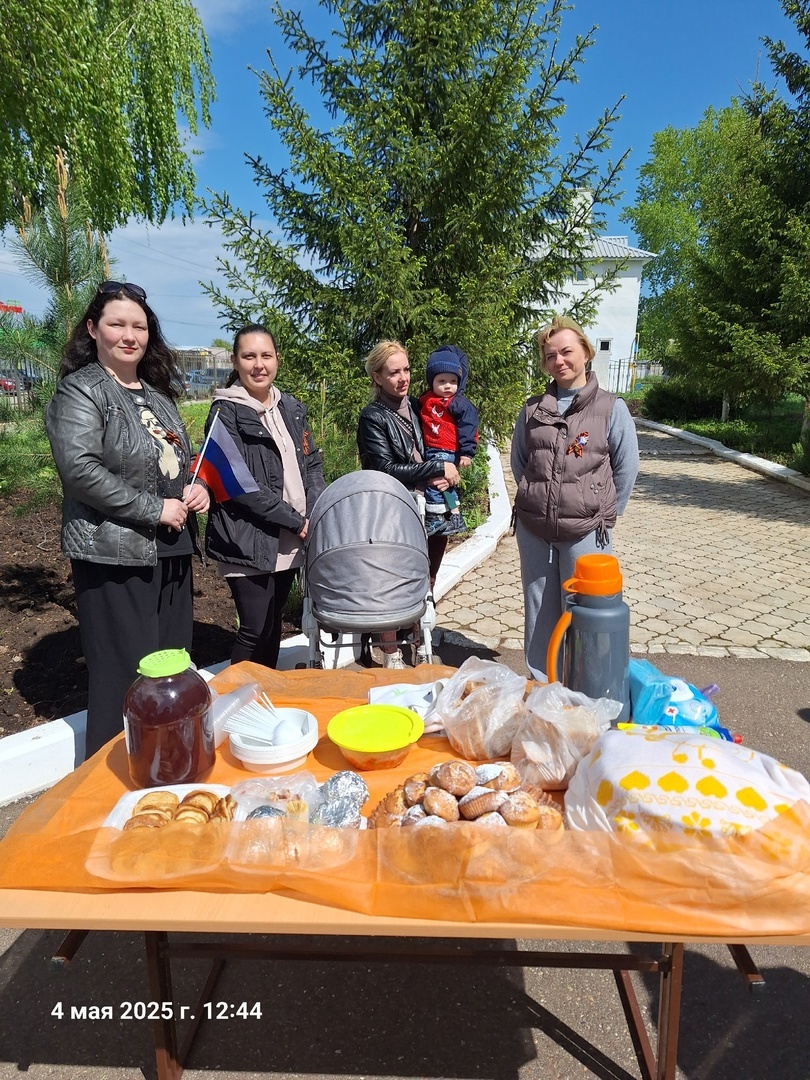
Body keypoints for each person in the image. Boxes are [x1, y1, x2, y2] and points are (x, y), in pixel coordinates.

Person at [45, 280, 210, 758]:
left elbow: (174, 459)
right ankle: (111, 782)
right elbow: (80, 471)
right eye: (116, 324)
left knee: (171, 668)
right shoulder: (81, 392)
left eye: (138, 326)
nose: (129, 335)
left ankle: (167, 766)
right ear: (94, 329)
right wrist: (154, 508)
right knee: (125, 675)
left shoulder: (156, 395)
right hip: (114, 552)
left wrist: (195, 487)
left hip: (170, 548)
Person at [511, 315, 639, 681]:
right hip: (535, 530)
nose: (559, 361)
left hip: (587, 532)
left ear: (585, 352)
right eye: (550, 356)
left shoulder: (611, 409)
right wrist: (539, 499)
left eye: (566, 351)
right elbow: (521, 463)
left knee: (586, 610)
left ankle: (586, 688)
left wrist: (602, 510)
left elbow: (626, 468)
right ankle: (541, 682)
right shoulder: (532, 409)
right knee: (538, 610)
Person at [204, 325, 325, 667]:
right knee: (254, 627)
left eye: (266, 356)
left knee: (272, 626)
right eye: (249, 356)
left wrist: (313, 513)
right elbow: (240, 486)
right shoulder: (224, 413)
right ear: (235, 361)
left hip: (290, 535)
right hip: (247, 536)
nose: (259, 365)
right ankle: (236, 702)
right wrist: (297, 521)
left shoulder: (291, 408)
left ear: (277, 360)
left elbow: (311, 462)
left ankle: (265, 696)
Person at [356, 339, 458, 668]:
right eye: (393, 372)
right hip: (395, 508)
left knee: (426, 576)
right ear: (377, 377)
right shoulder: (373, 417)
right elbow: (384, 469)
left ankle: (417, 636)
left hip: (431, 504)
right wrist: (436, 468)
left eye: (407, 369)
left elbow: (440, 442)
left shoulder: (418, 406)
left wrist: (446, 469)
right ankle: (390, 652)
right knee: (393, 579)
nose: (403, 377)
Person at [419, 344, 479, 537]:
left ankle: (436, 517)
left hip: (444, 448)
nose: (447, 386)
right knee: (446, 487)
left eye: (452, 381)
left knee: (434, 483)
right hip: (434, 447)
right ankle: (455, 516)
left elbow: (469, 427)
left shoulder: (457, 402)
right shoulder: (426, 399)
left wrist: (467, 452)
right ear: (432, 381)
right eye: (442, 381)